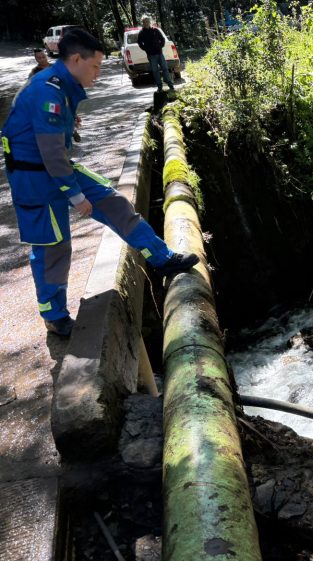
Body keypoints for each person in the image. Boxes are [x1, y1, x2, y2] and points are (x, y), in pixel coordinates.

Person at [1, 28, 198, 337]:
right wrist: (75, 194)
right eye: (95, 66)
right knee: (54, 247)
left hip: (56, 167)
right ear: (76, 59)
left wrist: (69, 122)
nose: (98, 73)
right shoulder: (47, 90)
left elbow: (48, 141)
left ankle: (162, 258)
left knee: (114, 203)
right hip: (34, 179)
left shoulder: (61, 86)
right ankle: (54, 316)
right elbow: (50, 152)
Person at [137, 16, 175, 93]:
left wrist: (160, 46)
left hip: (159, 53)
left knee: (165, 68)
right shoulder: (141, 32)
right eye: (145, 22)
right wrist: (146, 49)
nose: (146, 23)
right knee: (155, 71)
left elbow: (162, 39)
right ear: (143, 23)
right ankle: (159, 87)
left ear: (149, 22)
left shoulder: (155, 30)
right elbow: (139, 43)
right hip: (151, 55)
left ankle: (170, 85)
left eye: (147, 21)